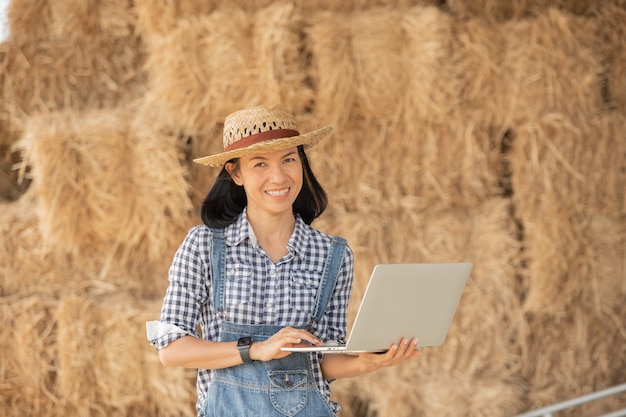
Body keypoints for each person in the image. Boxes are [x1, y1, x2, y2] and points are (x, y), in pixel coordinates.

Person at [146, 105, 420, 416]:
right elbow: (171, 349)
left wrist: (363, 363)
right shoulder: (203, 246)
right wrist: (258, 350)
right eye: (260, 164)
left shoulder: (333, 255)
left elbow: (322, 360)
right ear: (235, 173)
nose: (278, 176)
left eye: (289, 159)